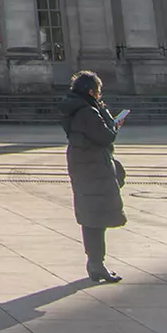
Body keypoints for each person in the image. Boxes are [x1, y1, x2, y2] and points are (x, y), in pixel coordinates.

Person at [60, 70, 126, 284]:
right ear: (91, 91)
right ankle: (97, 265)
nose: (100, 96)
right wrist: (112, 119)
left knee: (91, 218)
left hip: (84, 166)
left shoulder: (75, 108)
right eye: (98, 92)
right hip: (94, 168)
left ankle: (96, 263)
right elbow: (107, 136)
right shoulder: (88, 112)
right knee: (96, 218)